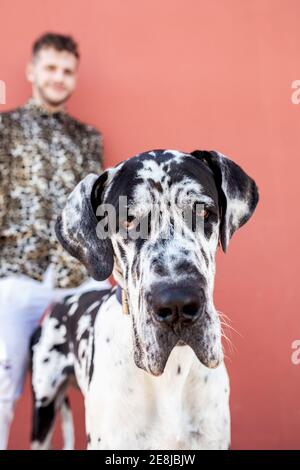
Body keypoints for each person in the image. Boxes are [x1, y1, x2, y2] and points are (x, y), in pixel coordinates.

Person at [0, 32, 109, 449]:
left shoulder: (88, 138)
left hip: (76, 274)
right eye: (50, 68)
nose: (59, 77)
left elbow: (94, 216)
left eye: (67, 71)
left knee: (112, 357)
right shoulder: (5, 128)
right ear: (31, 72)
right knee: (3, 383)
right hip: (15, 274)